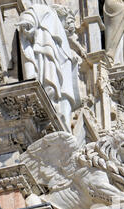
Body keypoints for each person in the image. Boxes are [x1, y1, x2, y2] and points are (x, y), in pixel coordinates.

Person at [18, 3, 81, 131]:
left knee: (65, 97)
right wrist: (28, 22)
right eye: (70, 22)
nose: (71, 28)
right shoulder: (47, 11)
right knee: (51, 85)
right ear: (64, 15)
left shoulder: (63, 38)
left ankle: (63, 122)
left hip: (62, 74)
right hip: (49, 60)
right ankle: (56, 116)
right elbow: (31, 14)